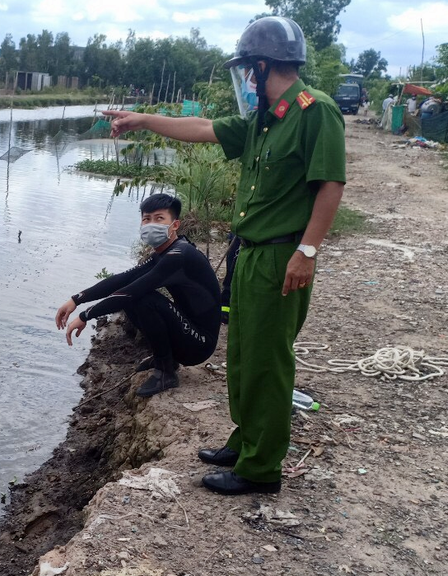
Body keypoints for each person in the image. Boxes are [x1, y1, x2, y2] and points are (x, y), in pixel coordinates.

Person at [104, 16, 345, 495]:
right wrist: (144, 120)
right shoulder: (264, 117)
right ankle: (246, 440)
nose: (247, 81)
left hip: (281, 257)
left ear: (263, 64)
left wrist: (307, 251)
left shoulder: (314, 111)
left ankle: (261, 470)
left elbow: (330, 184)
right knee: (243, 355)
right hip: (251, 255)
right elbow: (202, 127)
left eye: (249, 71)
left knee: (268, 361)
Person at [55, 193, 221, 397]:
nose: (151, 224)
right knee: (134, 296)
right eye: (146, 219)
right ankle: (165, 358)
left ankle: (166, 372)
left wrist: (85, 316)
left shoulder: (180, 255)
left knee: (141, 298)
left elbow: (131, 291)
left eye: (159, 219)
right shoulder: (163, 254)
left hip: (199, 344)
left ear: (175, 225)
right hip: (188, 333)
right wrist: (76, 299)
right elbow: (122, 279)